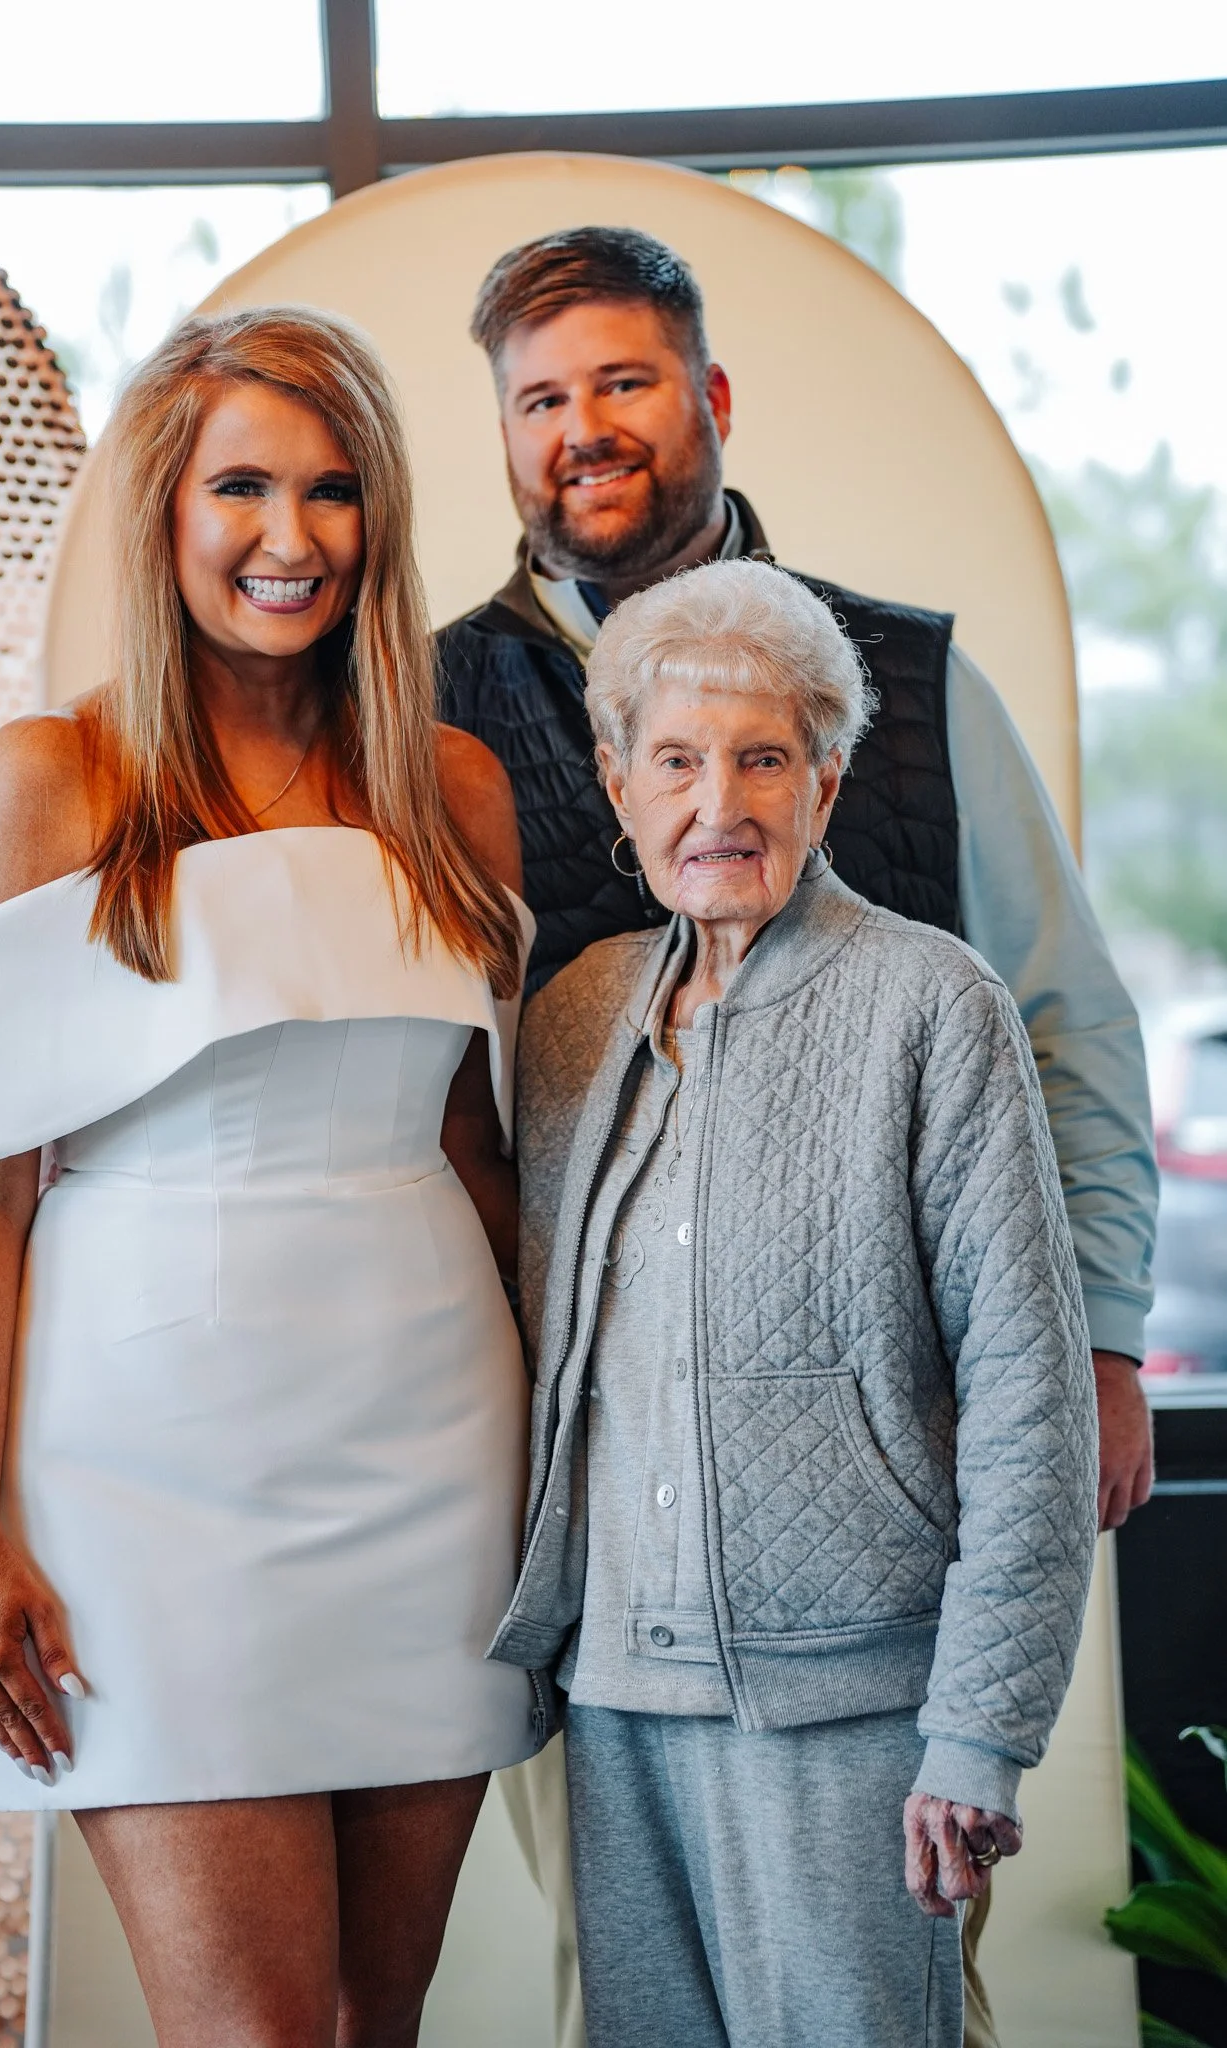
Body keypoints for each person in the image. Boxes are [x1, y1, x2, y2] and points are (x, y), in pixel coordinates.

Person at [436, 224, 1156, 2048]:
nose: (584, 427)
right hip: (611, 1601)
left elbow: (1071, 1018)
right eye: (543, 397)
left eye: (623, 380)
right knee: (631, 1999)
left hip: (858, 1588)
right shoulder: (434, 710)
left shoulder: (901, 689)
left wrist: (1108, 1340)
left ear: (709, 399)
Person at [0, 307, 537, 2048]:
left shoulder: (452, 794)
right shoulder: (58, 782)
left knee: (366, 2028)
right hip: (149, 1486)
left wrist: (587, 1463)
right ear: (165, 515)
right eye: (241, 486)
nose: (290, 536)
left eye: (333, 492)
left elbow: (486, 1163)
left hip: (432, 1459)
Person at [489, 556, 1098, 2048]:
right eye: (680, 762)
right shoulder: (572, 1023)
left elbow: (1033, 1393)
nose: (722, 805)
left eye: (765, 758)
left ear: (828, 784)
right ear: (621, 786)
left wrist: (978, 1732)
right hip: (620, 1705)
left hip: (856, 1713)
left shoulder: (931, 1006)